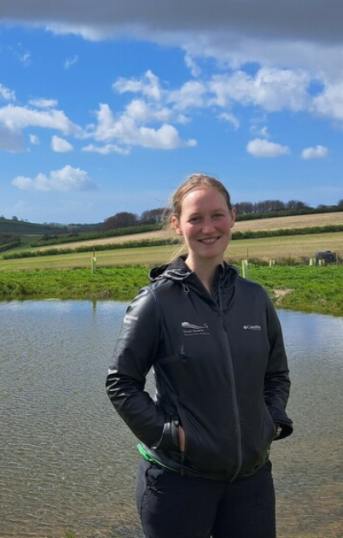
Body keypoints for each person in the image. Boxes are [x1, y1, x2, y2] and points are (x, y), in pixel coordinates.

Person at [106, 173, 292, 538]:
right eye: (195, 218)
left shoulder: (255, 298)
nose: (208, 228)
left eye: (217, 215)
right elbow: (121, 383)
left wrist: (268, 423)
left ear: (233, 217)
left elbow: (277, 374)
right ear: (178, 225)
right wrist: (169, 436)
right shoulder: (157, 301)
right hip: (178, 484)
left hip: (251, 482)